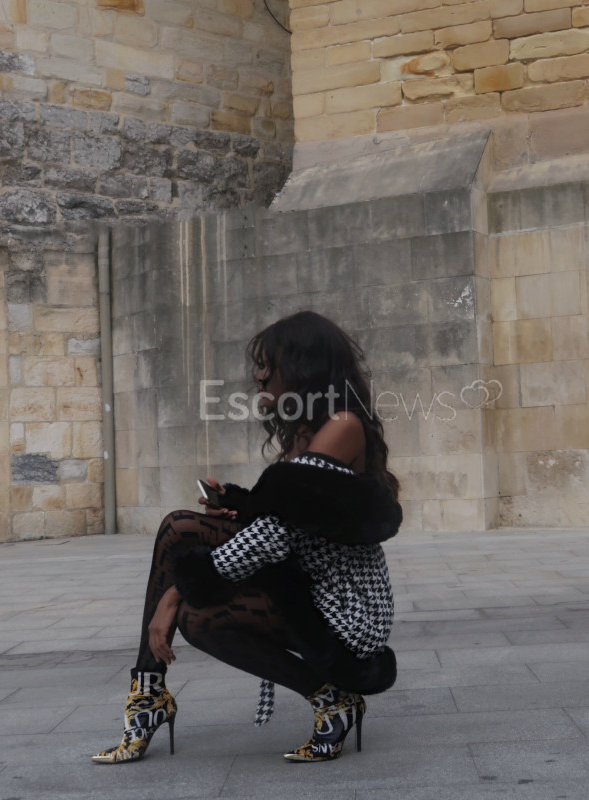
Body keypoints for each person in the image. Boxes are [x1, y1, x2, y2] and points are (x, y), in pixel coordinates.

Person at [91, 310, 402, 765]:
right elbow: (285, 516)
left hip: (344, 608)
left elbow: (275, 534)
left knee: (195, 613)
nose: (259, 376)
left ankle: (332, 701)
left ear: (303, 367)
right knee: (178, 529)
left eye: (268, 364)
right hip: (303, 585)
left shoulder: (342, 426)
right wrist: (240, 506)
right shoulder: (305, 433)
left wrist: (177, 591)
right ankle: (149, 690)